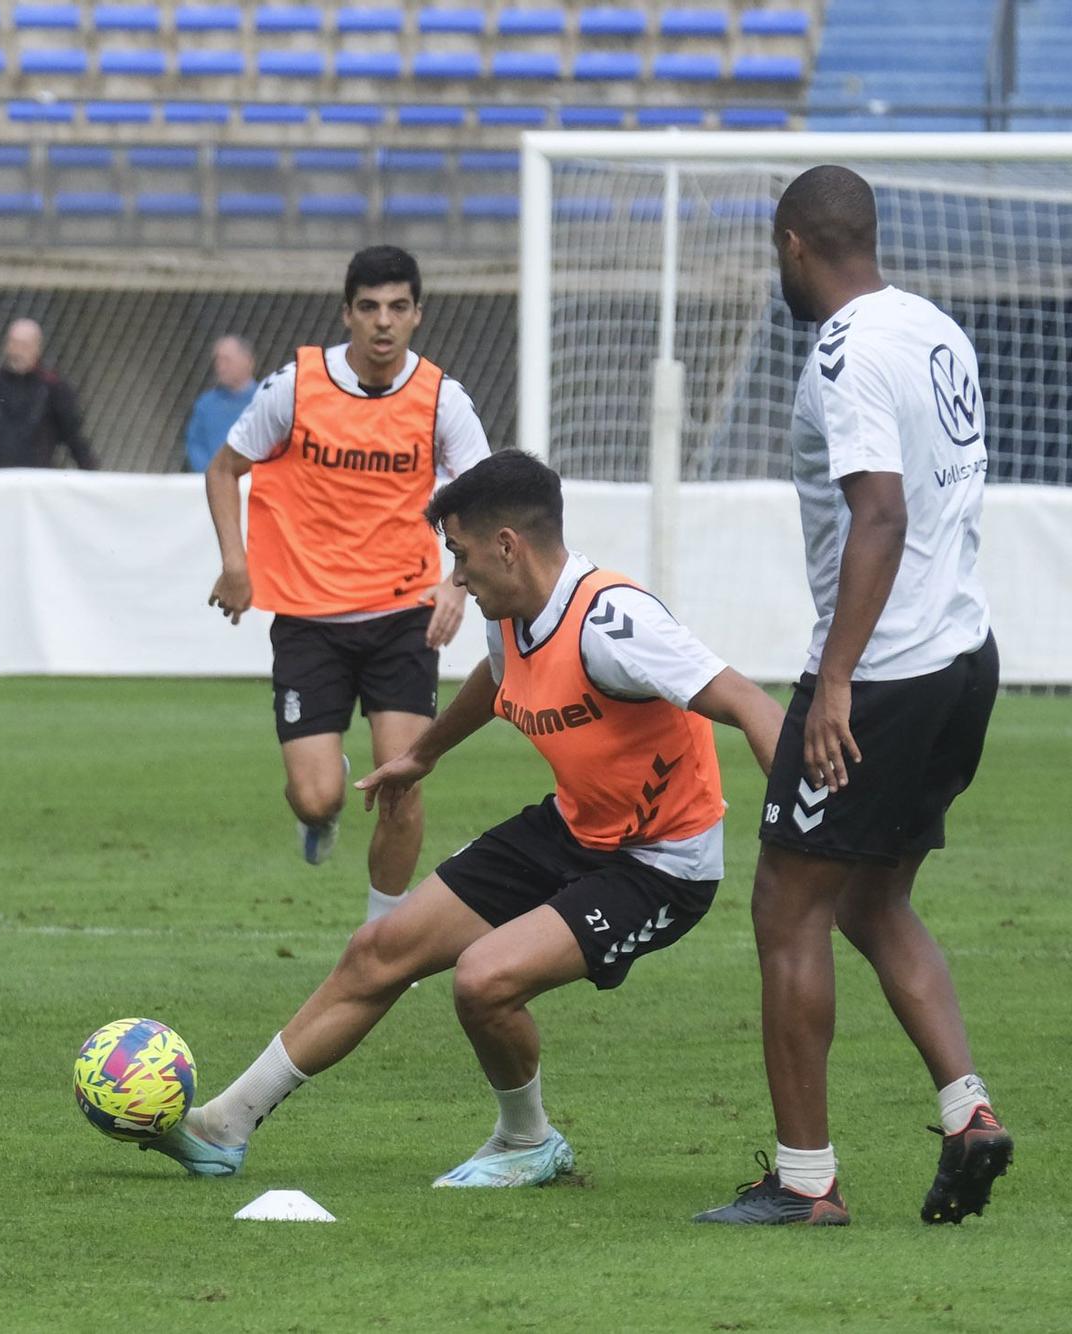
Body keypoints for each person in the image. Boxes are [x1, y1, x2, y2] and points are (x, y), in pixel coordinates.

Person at [142, 451, 786, 1187]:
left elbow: (749, 703)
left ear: (507, 544)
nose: (455, 574)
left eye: (460, 554)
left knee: (484, 981)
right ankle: (225, 1126)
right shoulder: (508, 612)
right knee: (378, 949)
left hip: (659, 866)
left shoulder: (613, 622)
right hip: (572, 828)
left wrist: (792, 835)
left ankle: (527, 1143)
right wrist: (425, 753)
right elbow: (500, 677)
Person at [694, 166, 1008, 1228]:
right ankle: (967, 1110)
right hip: (963, 655)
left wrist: (831, 680)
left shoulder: (841, 353)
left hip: (882, 671)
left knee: (785, 903)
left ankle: (803, 1179)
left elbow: (878, 513)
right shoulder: (931, 328)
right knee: (872, 898)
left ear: (792, 245)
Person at [205, 245, 486, 923]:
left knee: (401, 785)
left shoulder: (442, 399)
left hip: (402, 615)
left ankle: (381, 934)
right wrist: (236, 564)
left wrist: (457, 582)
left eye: (397, 308)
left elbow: (484, 500)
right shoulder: (296, 386)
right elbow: (223, 469)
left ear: (417, 315)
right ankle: (318, 816)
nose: (383, 323)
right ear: (347, 314)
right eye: (369, 308)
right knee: (316, 795)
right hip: (308, 618)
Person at [0, 317, 98, 469]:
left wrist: (93, 474)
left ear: (37, 348)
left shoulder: (53, 387)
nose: (18, 351)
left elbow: (73, 437)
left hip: (38, 479)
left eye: (25, 345)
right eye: (14, 343)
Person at [182, 335, 258, 473]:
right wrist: (212, 474)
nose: (221, 367)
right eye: (217, 361)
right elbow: (195, 445)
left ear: (248, 361)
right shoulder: (205, 404)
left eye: (226, 360)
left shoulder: (265, 399)